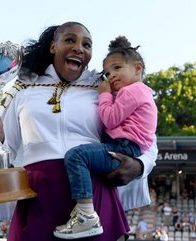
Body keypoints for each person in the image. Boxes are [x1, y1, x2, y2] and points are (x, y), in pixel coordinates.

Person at [0, 21, 158, 241]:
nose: (79, 48)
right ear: (53, 46)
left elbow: (145, 132)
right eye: (70, 40)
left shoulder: (104, 88)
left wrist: (140, 165)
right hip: (37, 194)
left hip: (94, 194)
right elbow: (8, 147)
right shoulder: (23, 88)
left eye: (87, 45)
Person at [54, 36, 157, 239]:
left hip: (122, 147)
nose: (111, 76)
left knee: (76, 156)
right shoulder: (140, 92)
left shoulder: (132, 91)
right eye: (108, 72)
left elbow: (110, 119)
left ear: (137, 69)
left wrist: (104, 95)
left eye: (117, 68)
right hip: (126, 146)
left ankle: (85, 214)